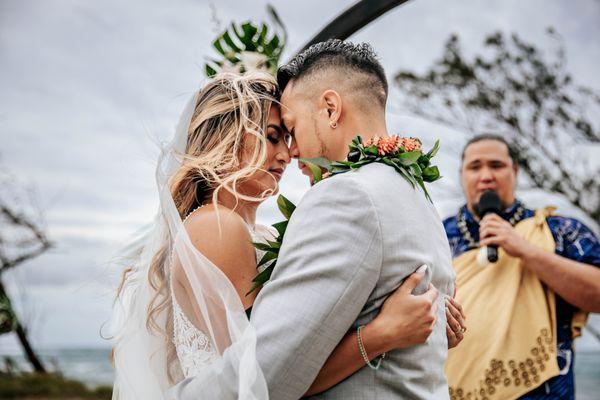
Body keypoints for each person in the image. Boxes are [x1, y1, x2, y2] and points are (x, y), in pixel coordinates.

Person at [112, 70, 464, 399]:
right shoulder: (218, 227)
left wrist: (427, 325)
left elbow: (303, 336)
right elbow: (262, 374)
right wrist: (379, 336)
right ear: (226, 139)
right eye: (271, 137)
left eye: (288, 138)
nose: (286, 154)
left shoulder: (252, 230)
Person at [443, 134, 600, 399]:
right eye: (475, 167)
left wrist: (525, 249)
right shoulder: (436, 235)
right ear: (462, 175)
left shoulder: (558, 231)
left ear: (514, 171)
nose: (486, 175)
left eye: (496, 165)